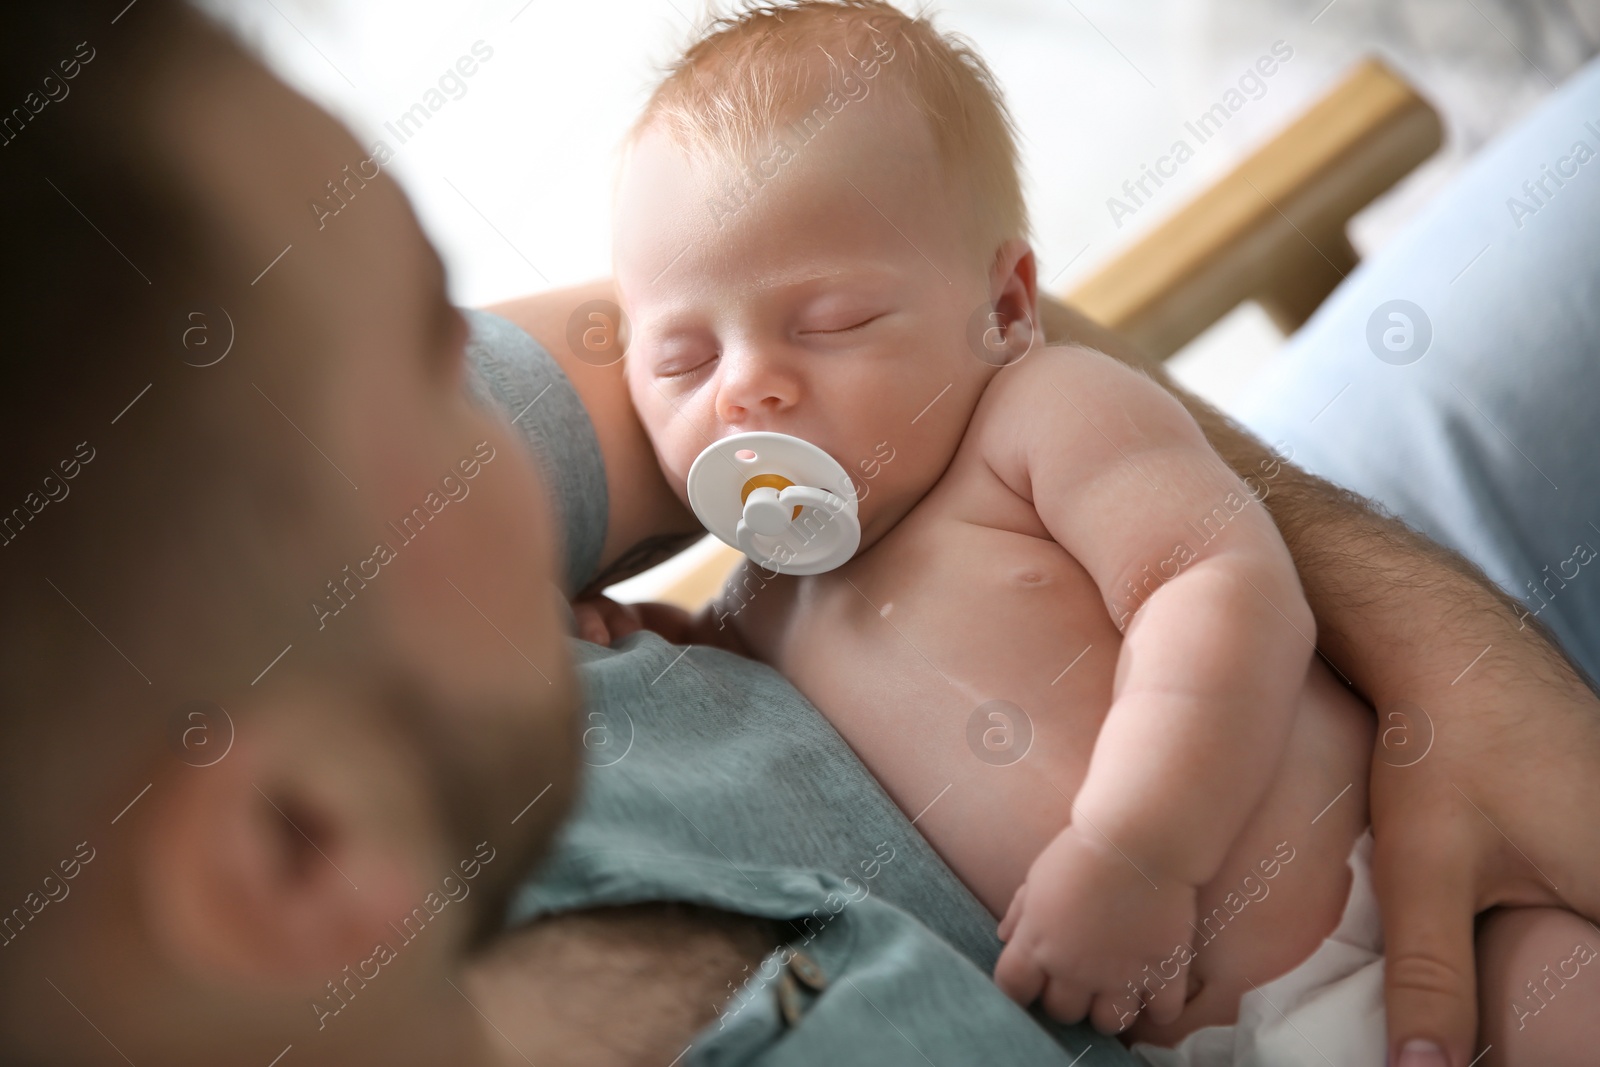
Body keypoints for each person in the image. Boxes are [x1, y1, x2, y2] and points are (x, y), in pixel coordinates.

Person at [2, 2, 1597, 1066]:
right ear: (288, 848)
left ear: (1005, 304)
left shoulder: (1026, 419)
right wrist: (716, 631)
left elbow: (1202, 563)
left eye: (822, 322)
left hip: (1395, 831)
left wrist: (1444, 675)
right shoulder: (769, 586)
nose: (728, 395)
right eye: (679, 363)